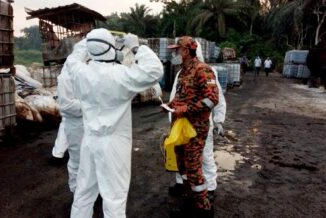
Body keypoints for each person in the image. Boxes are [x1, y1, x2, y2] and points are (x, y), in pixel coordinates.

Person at [66, 28, 163, 218]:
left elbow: (74, 57)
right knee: (114, 199)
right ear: (110, 49)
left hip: (90, 141)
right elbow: (154, 70)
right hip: (113, 145)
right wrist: (136, 47)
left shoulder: (79, 72)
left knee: (83, 194)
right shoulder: (121, 76)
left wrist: (89, 40)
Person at [166, 36, 219, 218]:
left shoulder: (203, 70)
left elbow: (212, 100)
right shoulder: (183, 71)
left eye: (177, 50)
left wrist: (186, 108)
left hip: (196, 128)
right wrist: (171, 104)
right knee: (182, 164)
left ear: (186, 51)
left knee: (193, 166)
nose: (175, 53)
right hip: (182, 126)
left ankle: (204, 209)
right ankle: (189, 203)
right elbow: (182, 96)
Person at [169, 66, 226, 205]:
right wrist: (172, 121)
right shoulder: (181, 73)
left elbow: (216, 98)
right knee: (181, 156)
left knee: (205, 156)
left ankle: (210, 187)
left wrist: (218, 120)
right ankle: (181, 183)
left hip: (200, 125)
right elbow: (174, 96)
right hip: (181, 124)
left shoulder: (206, 71)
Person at [57, 63, 84, 193]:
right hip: (74, 123)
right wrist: (90, 105)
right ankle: (76, 190)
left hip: (84, 122)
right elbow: (67, 106)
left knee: (90, 159)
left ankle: (89, 190)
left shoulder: (84, 73)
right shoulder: (65, 77)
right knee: (77, 160)